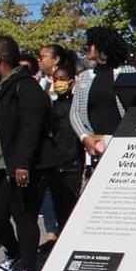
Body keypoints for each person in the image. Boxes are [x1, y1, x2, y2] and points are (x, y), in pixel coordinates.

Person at [0, 36, 59, 271]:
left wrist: (22, 163)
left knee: (25, 218)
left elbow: (32, 128)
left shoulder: (25, 86)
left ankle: (29, 268)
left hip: (18, 168)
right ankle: (13, 252)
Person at [70, 26, 136, 158]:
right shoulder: (85, 76)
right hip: (95, 146)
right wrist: (84, 137)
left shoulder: (128, 73)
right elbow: (75, 112)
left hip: (124, 144)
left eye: (90, 45)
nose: (86, 48)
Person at [45, 61, 83, 233]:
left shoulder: (77, 105)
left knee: (72, 203)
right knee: (58, 205)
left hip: (73, 162)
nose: (59, 82)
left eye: (63, 79)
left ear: (71, 81)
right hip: (55, 162)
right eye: (56, 79)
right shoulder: (51, 106)